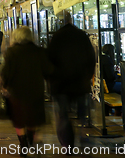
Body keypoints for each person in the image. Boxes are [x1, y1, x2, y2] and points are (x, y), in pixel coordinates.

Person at [1, 26, 53, 156]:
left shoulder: (12, 52)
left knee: (19, 118)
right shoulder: (39, 51)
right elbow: (48, 70)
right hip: (35, 89)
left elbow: (6, 72)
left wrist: (5, 84)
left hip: (17, 90)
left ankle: (23, 143)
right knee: (32, 117)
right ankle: (30, 137)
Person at [47, 11, 96, 149]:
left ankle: (67, 144)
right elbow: (91, 57)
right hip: (80, 83)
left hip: (61, 84)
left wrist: (52, 80)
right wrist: (88, 76)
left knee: (63, 115)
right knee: (82, 115)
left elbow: (49, 60)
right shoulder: (81, 35)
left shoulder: (56, 37)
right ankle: (83, 136)